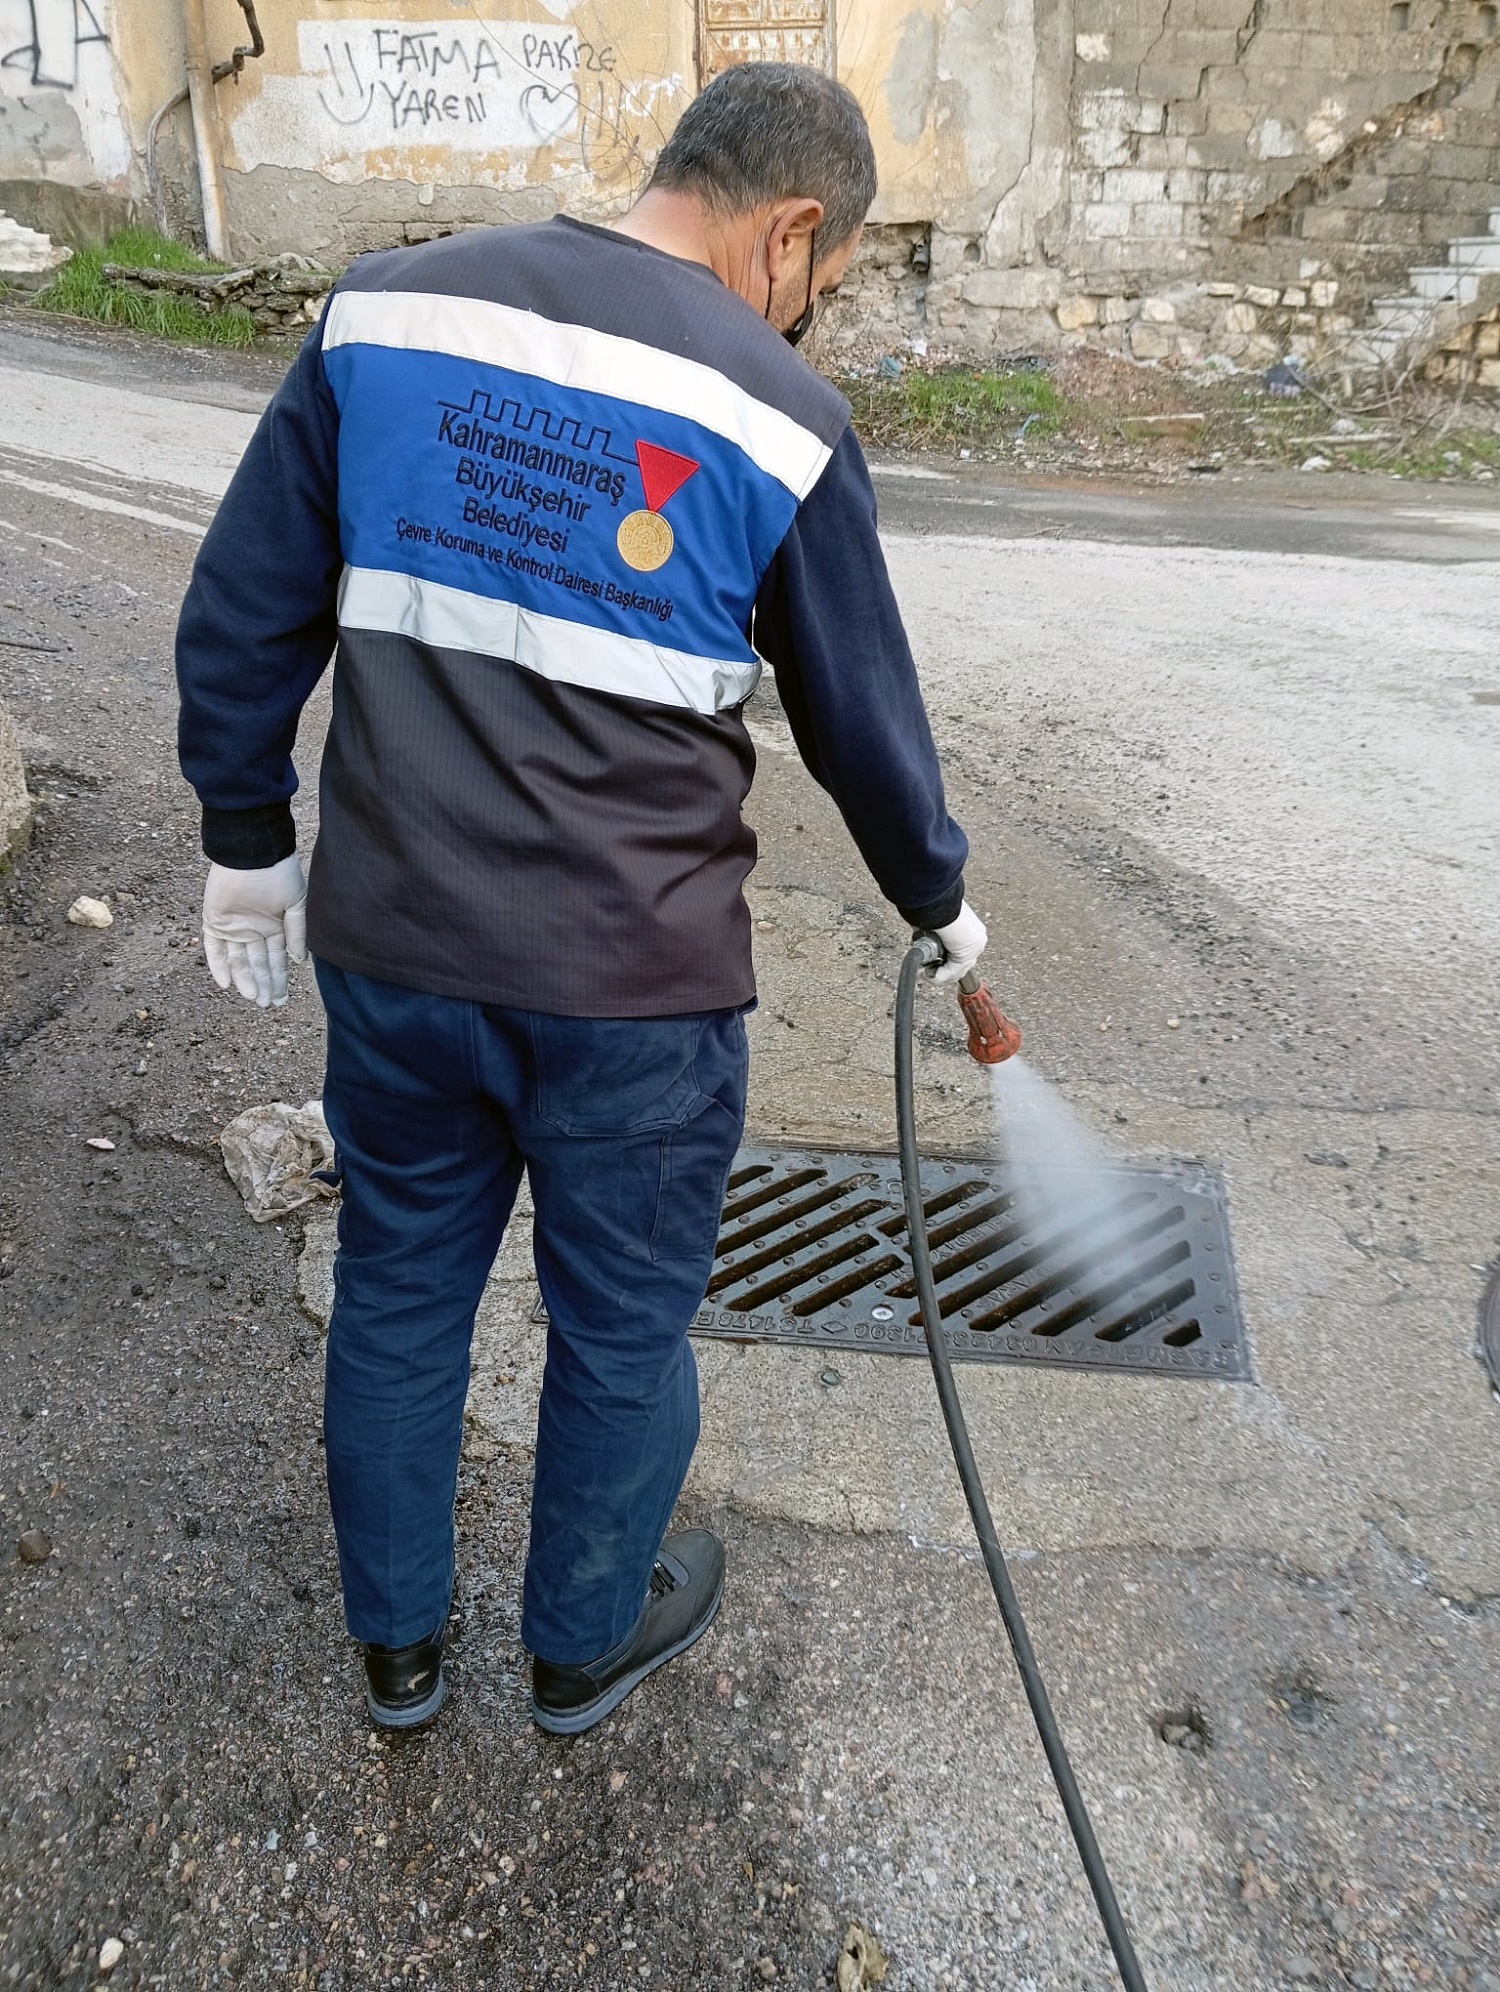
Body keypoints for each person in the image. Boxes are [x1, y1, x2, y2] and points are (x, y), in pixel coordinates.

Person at [175, 61, 987, 1738]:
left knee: (401, 1285)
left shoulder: (386, 315)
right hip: (637, 993)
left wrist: (245, 832)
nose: (810, 321)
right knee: (619, 1327)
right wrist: (941, 902)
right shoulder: (776, 415)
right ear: (792, 232)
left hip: (396, 949)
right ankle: (579, 1642)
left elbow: (249, 599)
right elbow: (865, 727)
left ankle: (401, 1658)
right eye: (821, 290)